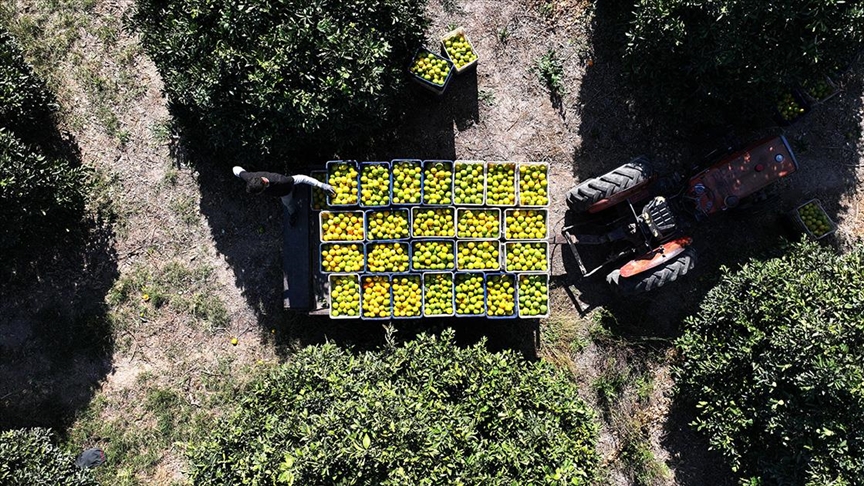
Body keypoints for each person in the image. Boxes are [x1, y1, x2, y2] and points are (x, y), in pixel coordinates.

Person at [233, 166, 335, 225]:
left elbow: (302, 178)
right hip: (280, 191)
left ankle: (292, 211)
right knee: (288, 202)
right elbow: (237, 169)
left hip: (285, 191)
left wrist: (321, 185)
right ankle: (292, 210)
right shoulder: (250, 178)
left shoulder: (280, 180)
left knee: (288, 201)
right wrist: (237, 171)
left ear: (264, 182)